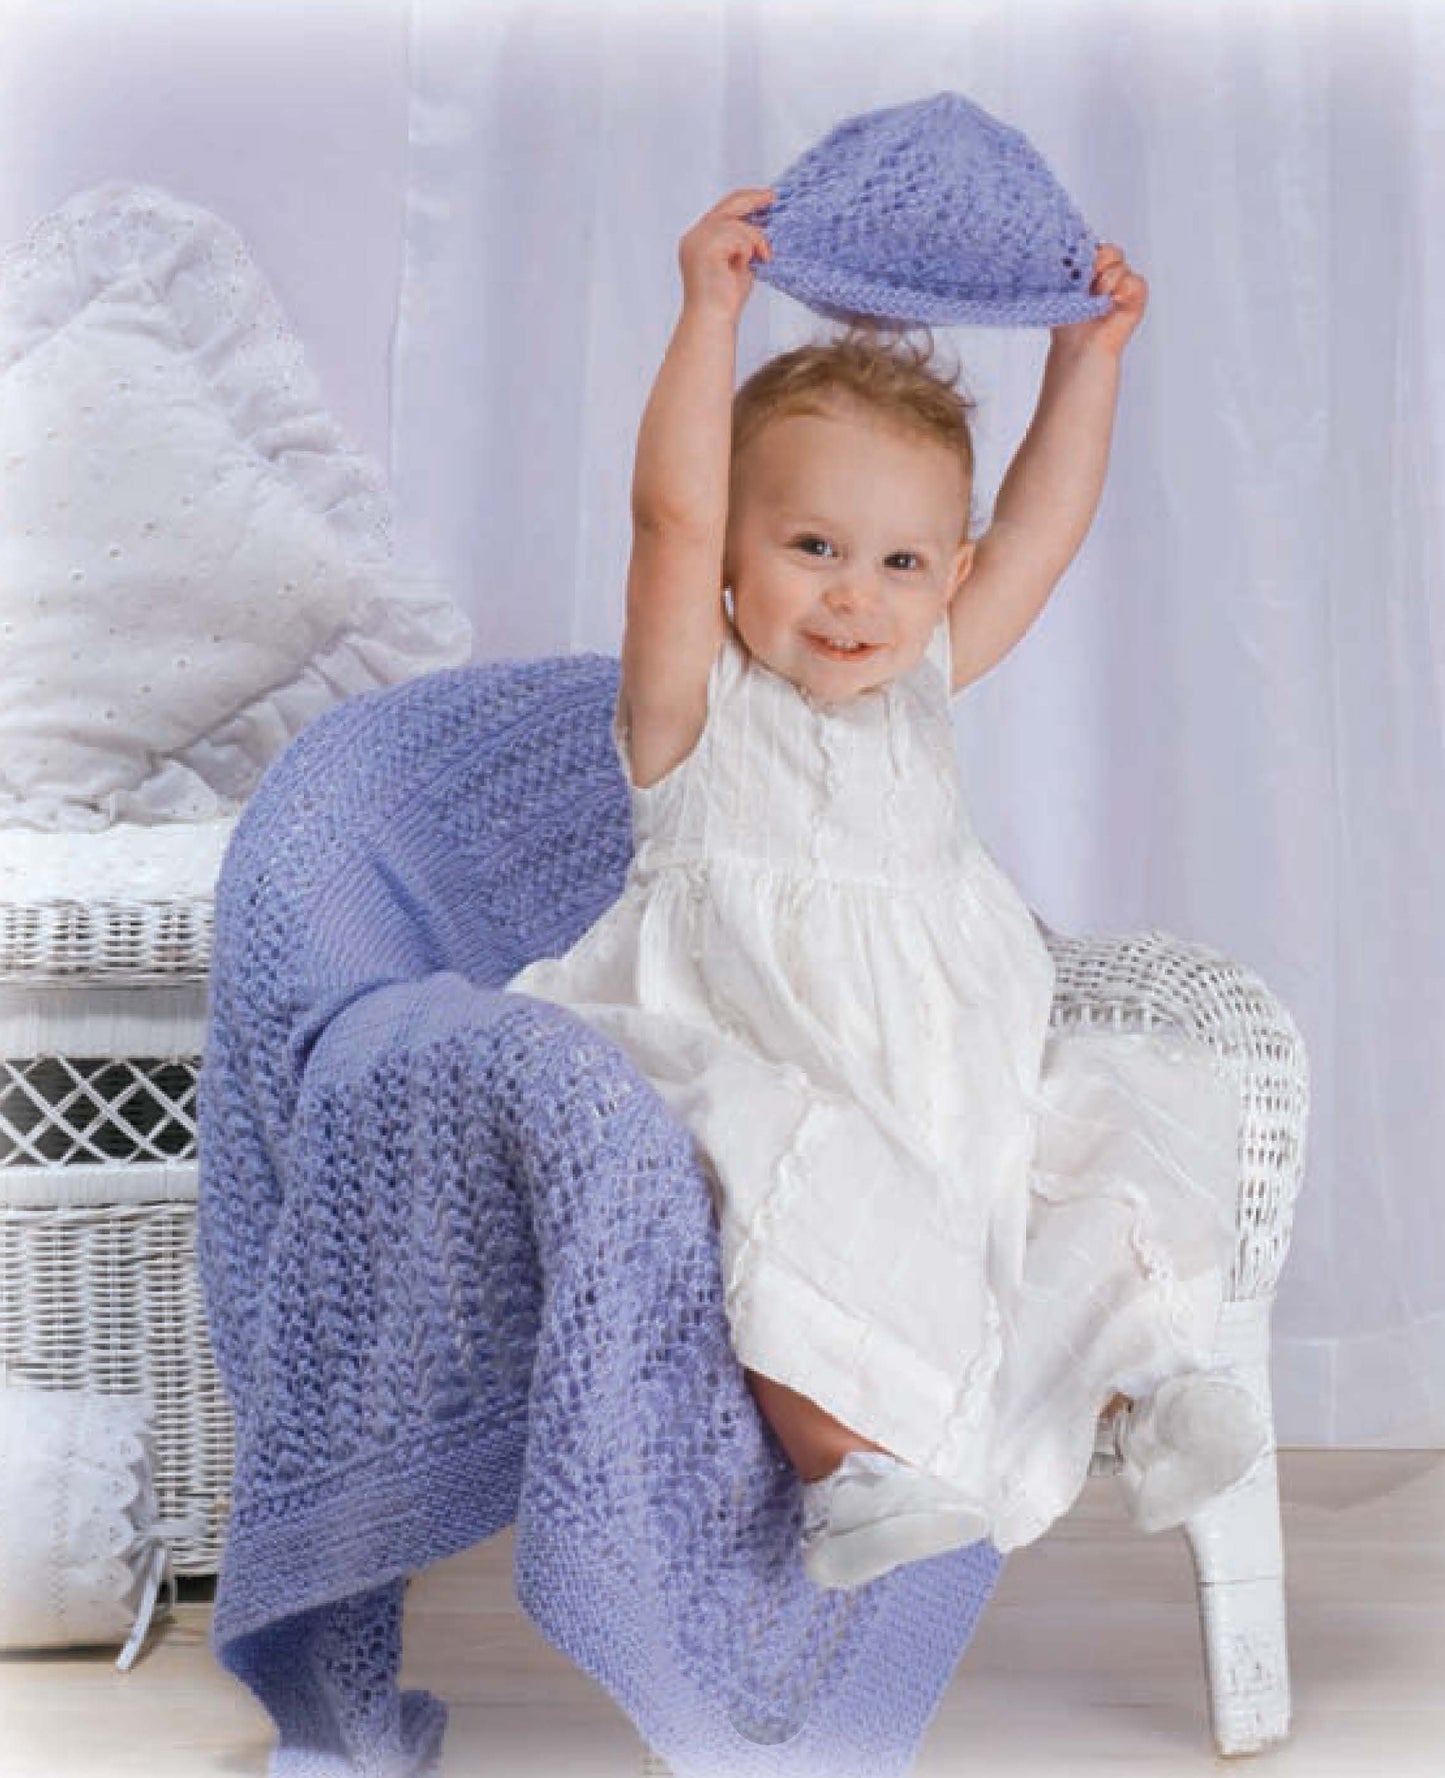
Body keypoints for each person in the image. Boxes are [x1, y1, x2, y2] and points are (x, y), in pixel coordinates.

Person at [505, 188, 1270, 1589]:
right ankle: (845, 1469)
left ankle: (1148, 1389)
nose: (857, 597)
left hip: (945, 1074)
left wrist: (1086, 360)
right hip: (772, 1056)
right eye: (810, 548)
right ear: (736, 552)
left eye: (901, 562)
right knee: (780, 1185)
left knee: (1108, 1140)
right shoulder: (692, 711)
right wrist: (707, 312)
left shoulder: (919, 683)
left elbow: (1038, 530)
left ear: (945, 579)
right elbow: (665, 515)